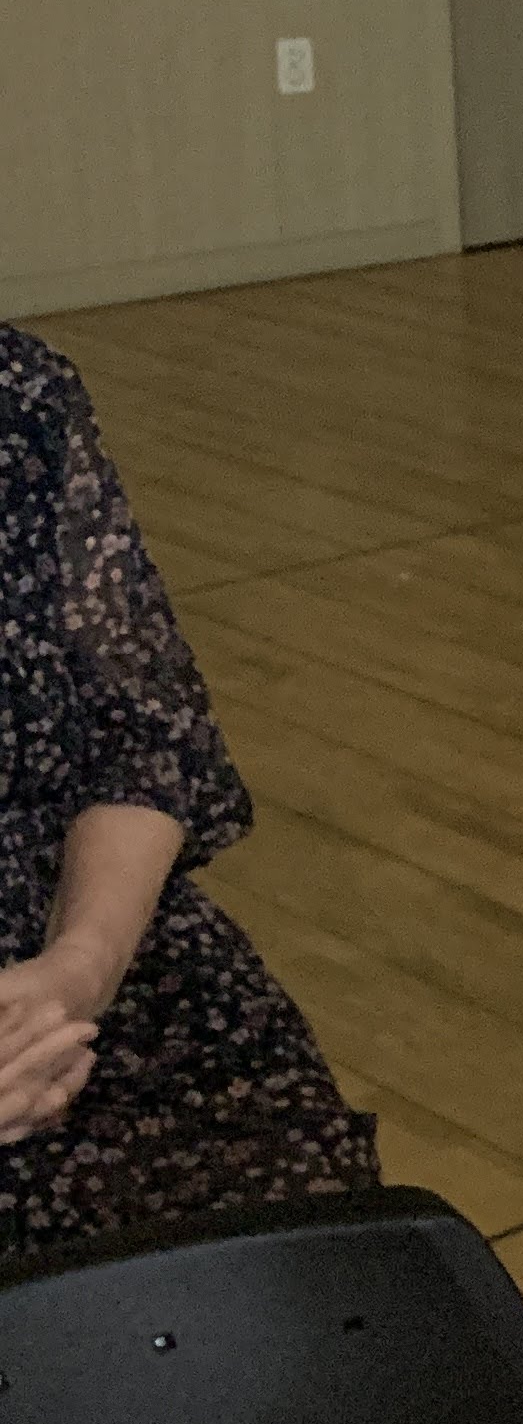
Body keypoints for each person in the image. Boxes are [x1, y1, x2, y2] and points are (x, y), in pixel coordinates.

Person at [0, 326, 376, 1246]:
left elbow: (145, 740)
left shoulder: (19, 395)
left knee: (289, 1249)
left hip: (70, 952)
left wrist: (76, 977)